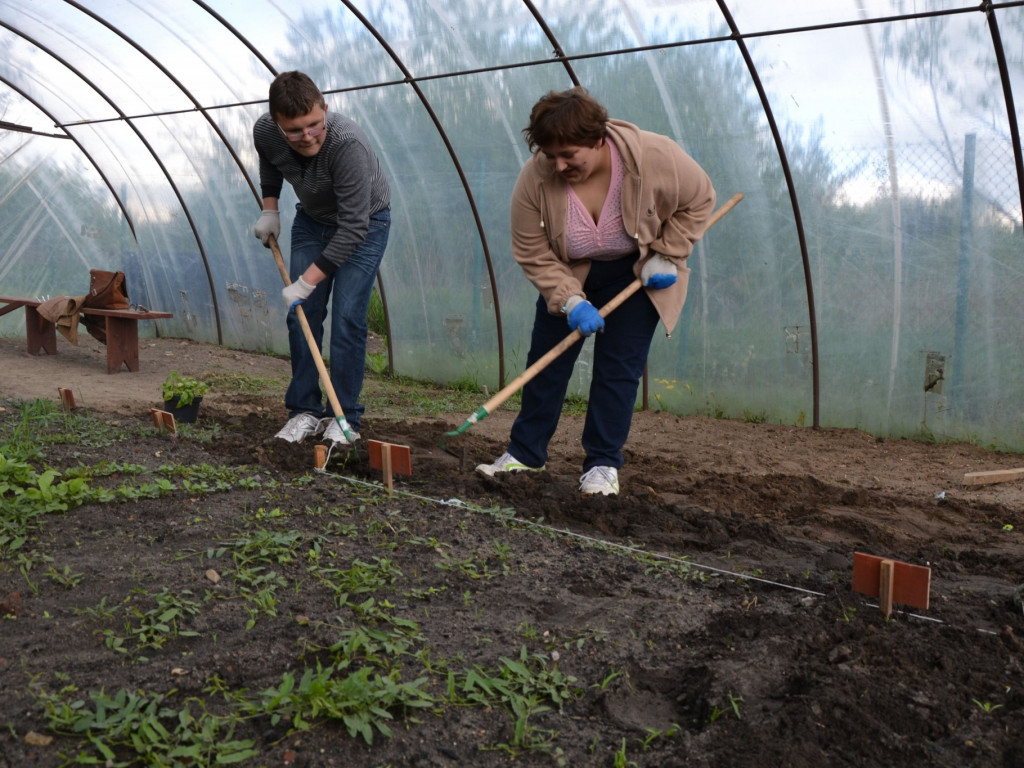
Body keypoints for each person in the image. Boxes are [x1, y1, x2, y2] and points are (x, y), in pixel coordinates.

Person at [476, 87, 716, 496]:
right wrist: (569, 300)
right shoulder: (536, 176)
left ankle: (602, 465)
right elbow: (530, 249)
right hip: (569, 275)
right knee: (546, 365)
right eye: (551, 155)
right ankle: (525, 454)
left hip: (636, 275)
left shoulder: (652, 156)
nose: (560, 164)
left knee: (618, 369)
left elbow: (700, 198)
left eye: (569, 154)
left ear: (598, 139)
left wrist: (668, 253)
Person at [252, 71, 391, 445]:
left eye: (314, 124)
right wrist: (271, 210)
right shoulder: (265, 132)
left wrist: (305, 282)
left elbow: (352, 230)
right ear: (278, 124)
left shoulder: (347, 145)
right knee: (302, 317)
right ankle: (304, 411)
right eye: (295, 130)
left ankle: (344, 418)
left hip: (364, 224)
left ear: (325, 109)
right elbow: (270, 162)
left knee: (347, 317)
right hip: (311, 221)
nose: (308, 135)